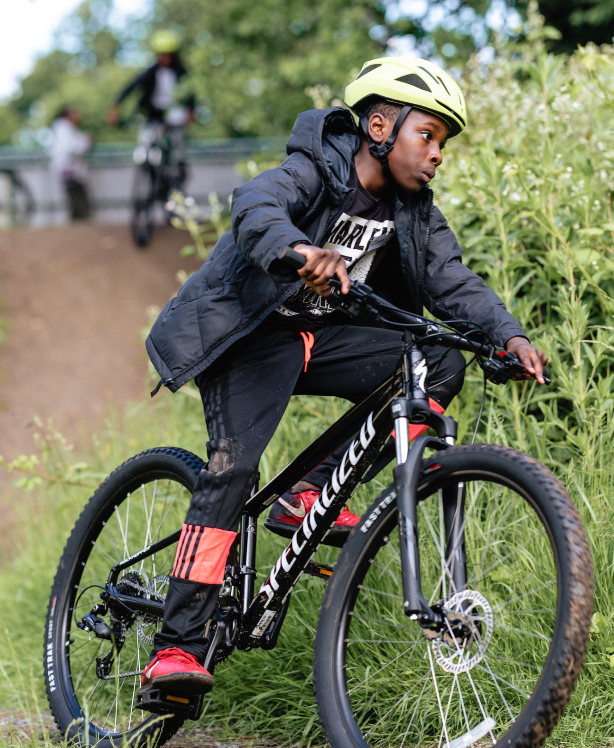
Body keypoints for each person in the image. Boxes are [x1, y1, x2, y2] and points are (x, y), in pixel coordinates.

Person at [138, 57, 549, 695]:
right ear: (379, 126)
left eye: (444, 143)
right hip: (253, 335)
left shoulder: (414, 212)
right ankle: (175, 649)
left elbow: (451, 280)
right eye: (428, 135)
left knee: (436, 362)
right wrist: (298, 251)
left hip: (323, 340)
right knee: (232, 469)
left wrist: (507, 333)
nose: (437, 153)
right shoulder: (316, 168)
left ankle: (310, 493)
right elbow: (255, 204)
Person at [107, 29, 195, 188]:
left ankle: (178, 172)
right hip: (153, 115)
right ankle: (154, 181)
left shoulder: (181, 72)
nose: (165, 58)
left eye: (168, 55)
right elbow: (131, 86)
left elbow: (190, 94)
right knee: (145, 148)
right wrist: (116, 106)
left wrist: (191, 112)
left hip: (174, 115)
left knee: (177, 147)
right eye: (161, 55)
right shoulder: (151, 72)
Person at [49, 105, 93, 221]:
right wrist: (86, 142)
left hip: (67, 167)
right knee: (76, 195)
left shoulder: (63, 129)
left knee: (74, 194)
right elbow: (71, 148)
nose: (78, 117)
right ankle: (80, 220)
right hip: (69, 168)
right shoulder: (65, 129)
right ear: (68, 115)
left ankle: (79, 220)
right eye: (75, 114)